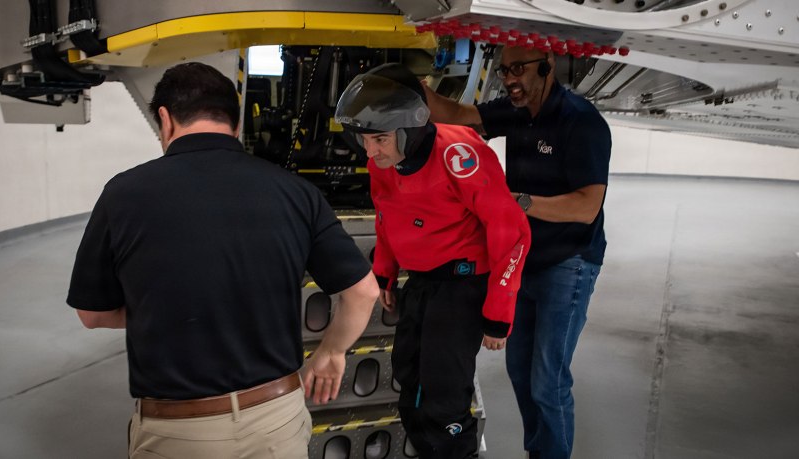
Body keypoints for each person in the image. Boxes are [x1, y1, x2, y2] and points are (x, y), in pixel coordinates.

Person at [66, 62, 379, 459]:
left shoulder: (123, 194)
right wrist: (332, 352)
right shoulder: (296, 193)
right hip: (276, 419)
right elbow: (363, 291)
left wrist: (169, 308)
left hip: (179, 432)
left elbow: (92, 314)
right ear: (234, 121)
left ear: (165, 118)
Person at [335, 63, 531, 459]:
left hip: (461, 288)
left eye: (380, 139)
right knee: (410, 383)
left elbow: (512, 233)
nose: (370, 152)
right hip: (420, 284)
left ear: (412, 126)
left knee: (443, 397)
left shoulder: (460, 153)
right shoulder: (384, 161)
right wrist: (386, 274)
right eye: (363, 140)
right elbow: (387, 214)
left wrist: (498, 314)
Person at [423, 45, 611, 459]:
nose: (509, 79)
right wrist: (411, 85)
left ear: (547, 66)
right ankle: (537, 452)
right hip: (526, 258)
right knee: (520, 372)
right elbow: (455, 115)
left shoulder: (581, 122)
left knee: (548, 379)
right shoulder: (517, 109)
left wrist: (516, 202)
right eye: (505, 70)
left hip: (570, 263)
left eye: (519, 69)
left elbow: (586, 207)